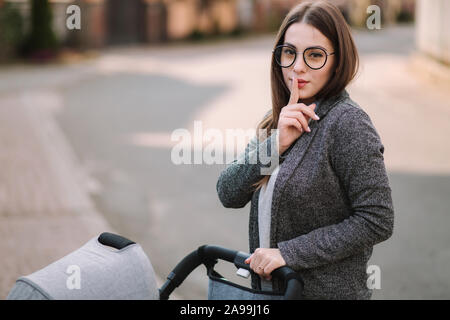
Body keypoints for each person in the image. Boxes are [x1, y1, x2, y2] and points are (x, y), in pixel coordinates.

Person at [216, 0, 394, 300]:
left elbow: (377, 219)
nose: (298, 67)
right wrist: (276, 144)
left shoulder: (347, 123)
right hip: (271, 294)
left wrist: (288, 253)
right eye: (289, 52)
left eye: (314, 55)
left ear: (338, 61)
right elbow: (228, 192)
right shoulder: (276, 120)